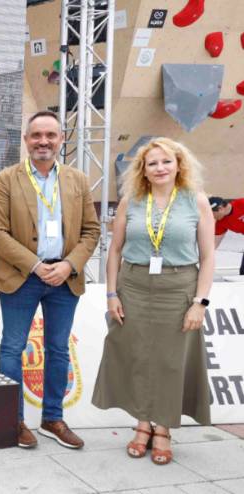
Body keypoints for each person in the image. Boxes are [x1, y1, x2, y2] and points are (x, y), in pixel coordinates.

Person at [93, 137, 214, 465]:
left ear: (179, 165)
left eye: (166, 161)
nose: (160, 168)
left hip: (178, 289)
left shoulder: (196, 200)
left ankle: (163, 428)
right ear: (143, 170)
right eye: (152, 163)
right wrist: (111, 294)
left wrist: (200, 302)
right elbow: (115, 251)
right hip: (133, 287)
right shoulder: (131, 201)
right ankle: (142, 424)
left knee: (169, 362)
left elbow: (208, 256)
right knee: (138, 358)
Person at [0, 111, 99, 450]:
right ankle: (14, 420)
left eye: (50, 135)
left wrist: (69, 265)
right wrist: (35, 266)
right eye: (36, 135)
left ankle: (52, 418)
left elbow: (91, 231)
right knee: (12, 347)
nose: (43, 141)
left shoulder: (78, 180)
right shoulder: (7, 179)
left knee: (58, 349)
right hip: (21, 277)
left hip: (65, 279)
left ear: (61, 139)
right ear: (26, 140)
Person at [210, 196, 244, 275]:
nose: (212, 217)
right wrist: (205, 257)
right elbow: (214, 244)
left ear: (220, 208)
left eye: (212, 214)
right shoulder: (220, 223)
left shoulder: (241, 203)